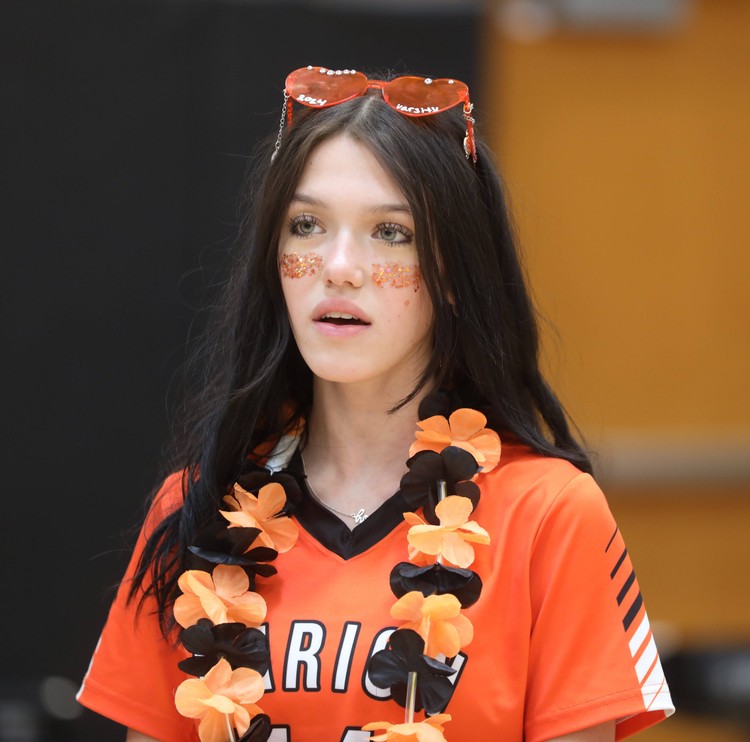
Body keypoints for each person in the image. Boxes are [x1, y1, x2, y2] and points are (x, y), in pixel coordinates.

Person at [78, 66, 674, 742]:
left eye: (391, 233)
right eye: (306, 225)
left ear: (453, 271)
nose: (338, 265)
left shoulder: (550, 515)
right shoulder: (192, 508)